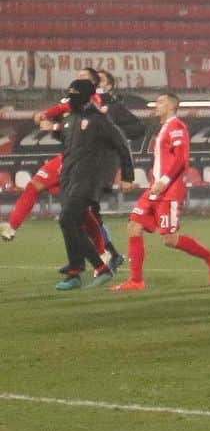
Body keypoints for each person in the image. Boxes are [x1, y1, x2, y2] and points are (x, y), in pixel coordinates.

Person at [113, 93, 210, 291]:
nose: (157, 104)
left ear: (172, 106)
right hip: (154, 190)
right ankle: (136, 281)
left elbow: (181, 159)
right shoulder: (164, 129)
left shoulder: (177, 127)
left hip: (170, 190)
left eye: (161, 101)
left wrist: (164, 181)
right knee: (133, 226)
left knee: (169, 239)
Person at [53, 79, 133, 291]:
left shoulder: (99, 120)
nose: (70, 101)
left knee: (67, 219)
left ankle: (100, 267)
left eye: (74, 97)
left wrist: (128, 176)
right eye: (69, 97)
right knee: (70, 224)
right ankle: (74, 273)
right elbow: (69, 147)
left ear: (87, 97)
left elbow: (122, 145)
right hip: (69, 179)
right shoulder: (70, 120)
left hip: (89, 180)